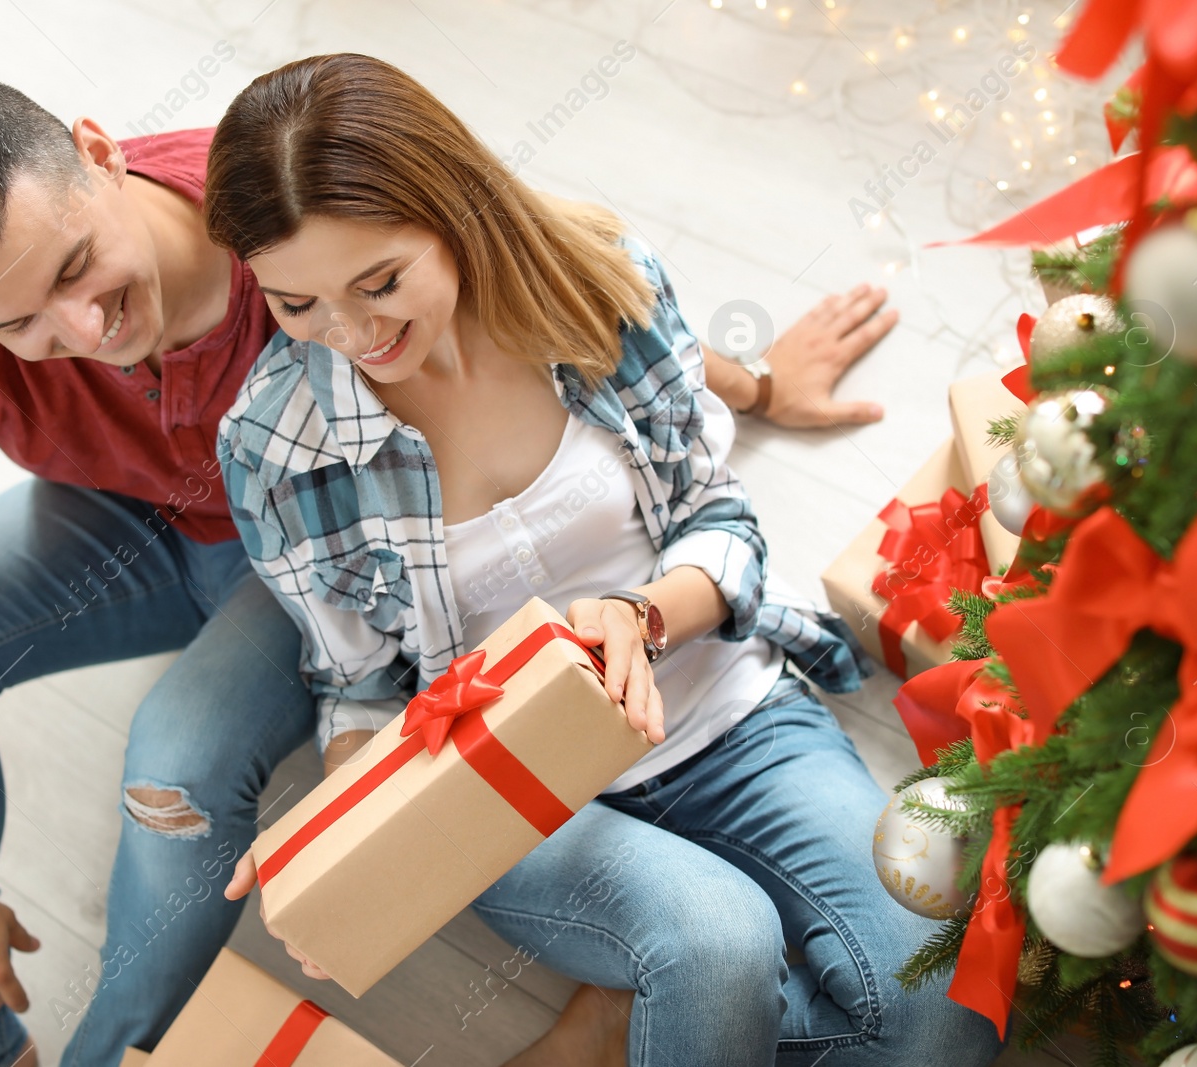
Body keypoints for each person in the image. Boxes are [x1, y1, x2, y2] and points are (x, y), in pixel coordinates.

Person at [0, 78, 894, 1067]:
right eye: (21, 324)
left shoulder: (277, 202)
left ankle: (114, 1049)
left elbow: (520, 257)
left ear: (100, 153)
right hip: (137, 515)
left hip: (285, 555)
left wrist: (742, 383)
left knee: (175, 765)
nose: (83, 327)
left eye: (81, 266)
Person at [208, 54, 1001, 1067]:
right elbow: (356, 685)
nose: (352, 334)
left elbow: (715, 512)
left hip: (728, 712)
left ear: (453, 208)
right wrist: (348, 846)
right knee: (717, 937)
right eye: (296, 305)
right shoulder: (276, 446)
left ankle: (633, 1023)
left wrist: (641, 614)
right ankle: (676, 999)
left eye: (380, 281)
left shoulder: (592, 279)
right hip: (513, 793)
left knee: (938, 1005)